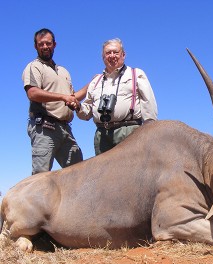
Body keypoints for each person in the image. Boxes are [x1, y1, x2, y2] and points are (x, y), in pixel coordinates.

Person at [22, 28, 88, 174]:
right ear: (36, 46)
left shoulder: (63, 71)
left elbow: (72, 97)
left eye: (48, 43)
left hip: (65, 129)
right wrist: (62, 97)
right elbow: (32, 93)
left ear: (54, 45)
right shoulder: (34, 66)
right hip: (45, 128)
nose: (45, 46)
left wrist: (92, 84)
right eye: (41, 44)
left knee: (78, 173)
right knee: (41, 176)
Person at [76, 38, 158, 155]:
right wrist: (78, 107)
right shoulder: (96, 81)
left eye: (116, 52)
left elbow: (148, 102)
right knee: (103, 172)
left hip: (129, 131)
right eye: (108, 53)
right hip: (102, 134)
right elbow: (86, 112)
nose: (112, 55)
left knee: (131, 171)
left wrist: (150, 130)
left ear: (123, 55)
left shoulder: (136, 74)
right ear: (103, 57)